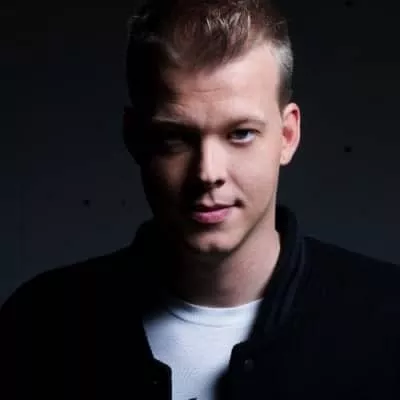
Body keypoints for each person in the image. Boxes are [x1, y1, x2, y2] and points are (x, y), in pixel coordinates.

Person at [1, 0, 400, 398]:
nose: (208, 173)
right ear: (135, 138)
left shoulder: (387, 321)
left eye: (240, 133)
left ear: (287, 136)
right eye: (175, 137)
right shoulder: (39, 325)